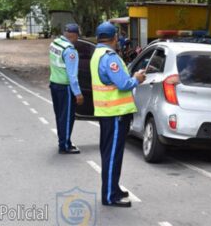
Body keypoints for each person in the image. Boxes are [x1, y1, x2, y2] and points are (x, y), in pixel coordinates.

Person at [90, 22, 146, 208]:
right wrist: (136, 79)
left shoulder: (97, 54)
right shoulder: (109, 57)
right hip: (115, 114)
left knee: (111, 153)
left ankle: (113, 188)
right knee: (112, 155)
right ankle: (109, 195)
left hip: (108, 112)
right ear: (114, 38)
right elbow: (123, 84)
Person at [49, 23, 84, 154]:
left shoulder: (55, 43)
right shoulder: (70, 51)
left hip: (54, 84)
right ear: (74, 36)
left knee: (60, 116)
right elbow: (72, 75)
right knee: (67, 117)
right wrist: (78, 93)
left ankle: (64, 140)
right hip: (65, 87)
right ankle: (64, 146)